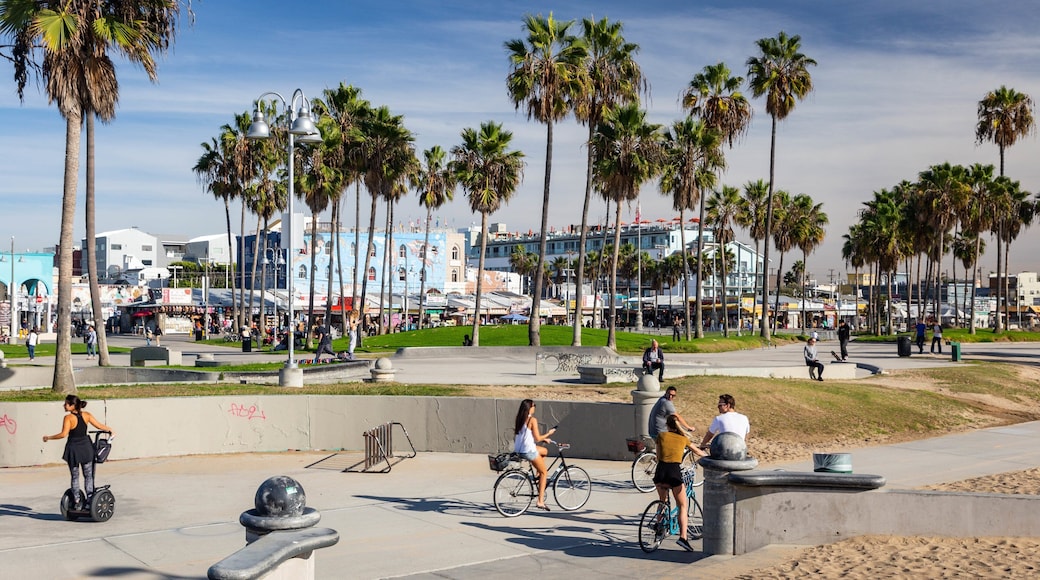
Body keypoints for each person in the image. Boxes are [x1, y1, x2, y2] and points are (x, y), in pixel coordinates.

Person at [43, 395, 114, 510]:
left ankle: (77, 501)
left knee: (75, 476)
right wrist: (111, 430)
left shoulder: (68, 418)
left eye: (66, 403)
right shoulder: (87, 415)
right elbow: (100, 426)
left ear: (72, 405)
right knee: (88, 476)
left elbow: (63, 434)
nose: (64, 405)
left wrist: (48, 437)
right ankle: (90, 500)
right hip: (86, 448)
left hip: (74, 449)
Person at [654, 414, 707, 552]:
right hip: (674, 472)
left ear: (667, 425)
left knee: (662, 500)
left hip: (660, 471)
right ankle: (683, 538)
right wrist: (711, 457)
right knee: (683, 505)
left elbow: (658, 456)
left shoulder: (661, 436)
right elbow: (698, 452)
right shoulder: (683, 439)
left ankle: (659, 526)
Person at [513, 399, 556, 511]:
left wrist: (544, 440)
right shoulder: (532, 420)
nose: (535, 407)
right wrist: (548, 434)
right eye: (534, 405)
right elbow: (537, 438)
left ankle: (537, 475)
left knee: (544, 451)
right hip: (528, 451)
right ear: (530, 408)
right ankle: (540, 501)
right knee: (544, 472)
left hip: (520, 449)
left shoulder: (519, 419)